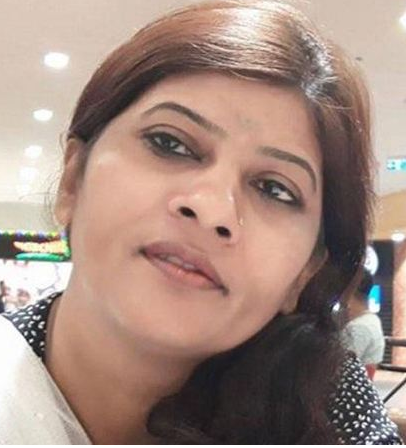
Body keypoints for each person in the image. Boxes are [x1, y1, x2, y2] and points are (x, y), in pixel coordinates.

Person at [0, 0, 402, 444]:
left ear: (304, 273)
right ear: (73, 181)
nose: (212, 210)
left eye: (275, 189)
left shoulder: (324, 408)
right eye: (170, 143)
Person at [342, 269, 385, 380]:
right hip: (360, 385)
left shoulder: (358, 327)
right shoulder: (372, 319)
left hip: (348, 387)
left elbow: (342, 366)